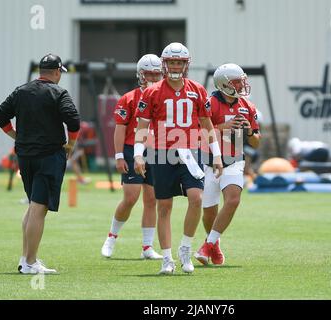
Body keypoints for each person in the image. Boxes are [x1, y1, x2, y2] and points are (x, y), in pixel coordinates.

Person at [134, 42, 223, 274]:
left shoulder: (197, 89)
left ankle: (185, 248)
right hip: (161, 152)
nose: (175, 66)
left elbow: (207, 124)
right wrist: (138, 154)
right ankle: (167, 258)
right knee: (164, 206)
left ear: (186, 64)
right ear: (165, 64)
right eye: (172, 62)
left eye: (179, 62)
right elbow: (142, 126)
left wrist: (217, 155)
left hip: (190, 151)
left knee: (196, 198)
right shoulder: (152, 92)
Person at [0, 53, 80, 274]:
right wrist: (70, 145)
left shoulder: (21, 91)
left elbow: (0, 116)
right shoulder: (59, 92)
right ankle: (31, 263)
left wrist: (16, 136)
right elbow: (73, 121)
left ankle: (26, 259)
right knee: (39, 208)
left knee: (34, 206)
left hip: (25, 156)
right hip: (49, 156)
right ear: (57, 71)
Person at [194, 63, 261, 266]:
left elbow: (256, 142)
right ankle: (215, 245)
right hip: (209, 162)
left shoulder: (247, 106)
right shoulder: (210, 103)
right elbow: (197, 133)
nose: (242, 85)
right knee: (209, 212)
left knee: (232, 200)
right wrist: (222, 127)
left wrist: (249, 131)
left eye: (242, 80)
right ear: (225, 84)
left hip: (234, 161)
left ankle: (207, 245)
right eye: (237, 82)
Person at [101, 54, 163, 260]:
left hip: (155, 150)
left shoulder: (164, 98)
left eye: (156, 74)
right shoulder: (128, 98)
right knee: (130, 198)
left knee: (152, 199)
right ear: (140, 75)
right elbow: (120, 129)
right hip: (130, 148)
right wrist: (119, 155)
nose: (153, 79)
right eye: (149, 74)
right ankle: (111, 237)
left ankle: (147, 247)